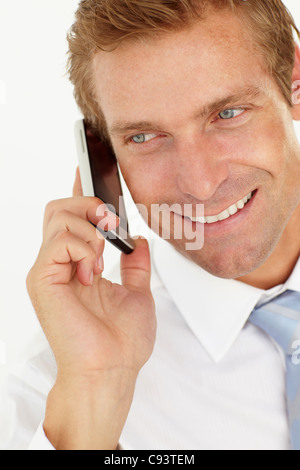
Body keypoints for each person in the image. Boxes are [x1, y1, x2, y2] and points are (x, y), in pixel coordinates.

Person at [2, 0, 300, 450]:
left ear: (295, 84)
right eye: (143, 137)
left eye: (227, 113)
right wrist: (96, 396)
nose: (200, 184)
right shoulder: (53, 397)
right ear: (104, 157)